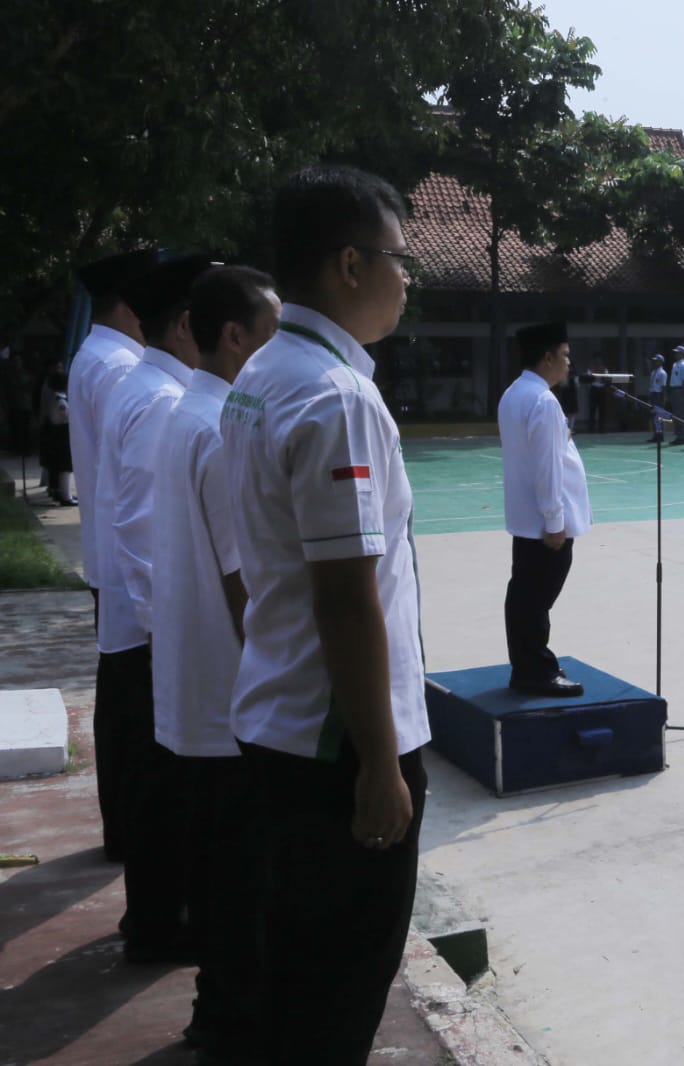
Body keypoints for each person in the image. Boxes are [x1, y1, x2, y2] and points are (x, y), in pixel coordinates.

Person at [220, 164, 428, 1064]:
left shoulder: (265, 370)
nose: (409, 277)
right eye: (399, 257)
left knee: (293, 975)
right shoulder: (336, 397)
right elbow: (345, 598)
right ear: (350, 264)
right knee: (340, 987)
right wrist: (382, 764)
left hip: (279, 720)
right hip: (336, 746)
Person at [151, 264, 280, 1059]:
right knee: (242, 878)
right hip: (231, 692)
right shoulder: (224, 424)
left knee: (212, 868)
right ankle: (230, 1022)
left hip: (191, 685)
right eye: (269, 334)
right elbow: (246, 585)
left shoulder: (184, 413)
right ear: (233, 336)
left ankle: (218, 1011)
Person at [99, 252, 215, 962]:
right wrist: (165, 632)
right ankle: (157, 922)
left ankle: (154, 914)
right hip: (155, 632)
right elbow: (141, 530)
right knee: (165, 789)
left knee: (159, 785)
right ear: (182, 328)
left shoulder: (146, 386)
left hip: (148, 626)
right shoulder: (164, 401)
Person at [66, 247, 157, 862]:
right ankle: (131, 834)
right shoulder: (124, 367)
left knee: (119, 707)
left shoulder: (92, 356)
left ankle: (121, 831)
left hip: (108, 559)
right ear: (130, 305)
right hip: (131, 571)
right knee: (136, 717)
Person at [500, 321, 592, 698]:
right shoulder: (543, 401)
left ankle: (530, 664)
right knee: (535, 599)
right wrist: (555, 521)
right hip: (546, 523)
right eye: (565, 355)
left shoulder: (515, 393)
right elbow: (547, 467)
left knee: (525, 594)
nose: (569, 363)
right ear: (548, 356)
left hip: (527, 519)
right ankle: (535, 670)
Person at [39, 368, 74, 504]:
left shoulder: (54, 397)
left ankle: (57, 490)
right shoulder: (61, 401)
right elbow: (67, 417)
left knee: (56, 465)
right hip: (62, 434)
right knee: (65, 467)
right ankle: (66, 496)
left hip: (56, 433)